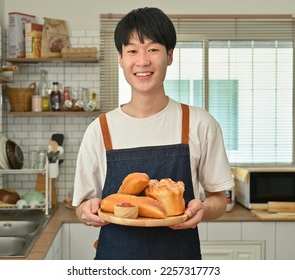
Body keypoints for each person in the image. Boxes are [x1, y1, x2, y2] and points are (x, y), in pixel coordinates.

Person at [72, 7, 234, 260]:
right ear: (120, 59)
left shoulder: (199, 123)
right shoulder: (100, 129)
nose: (143, 61)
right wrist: (86, 211)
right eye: (132, 50)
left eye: (153, 49)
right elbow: (82, 206)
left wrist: (202, 208)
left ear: (169, 56)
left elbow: (219, 200)